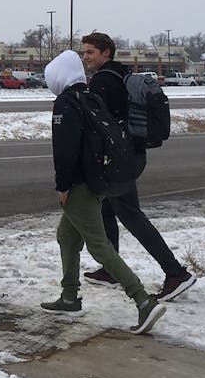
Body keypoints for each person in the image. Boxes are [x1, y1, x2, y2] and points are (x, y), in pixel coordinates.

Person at [40, 49, 166, 335]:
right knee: (66, 236)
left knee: (99, 246)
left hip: (80, 185)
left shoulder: (66, 103)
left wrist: (63, 186)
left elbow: (65, 150)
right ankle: (69, 296)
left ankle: (143, 300)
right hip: (99, 180)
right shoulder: (91, 98)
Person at [79, 32, 195, 302]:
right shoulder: (121, 75)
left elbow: (99, 126)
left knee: (131, 216)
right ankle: (111, 269)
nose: (85, 57)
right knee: (106, 208)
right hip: (132, 153)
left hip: (120, 160)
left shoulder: (103, 82)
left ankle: (175, 273)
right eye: (84, 53)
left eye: (90, 52)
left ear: (106, 52)